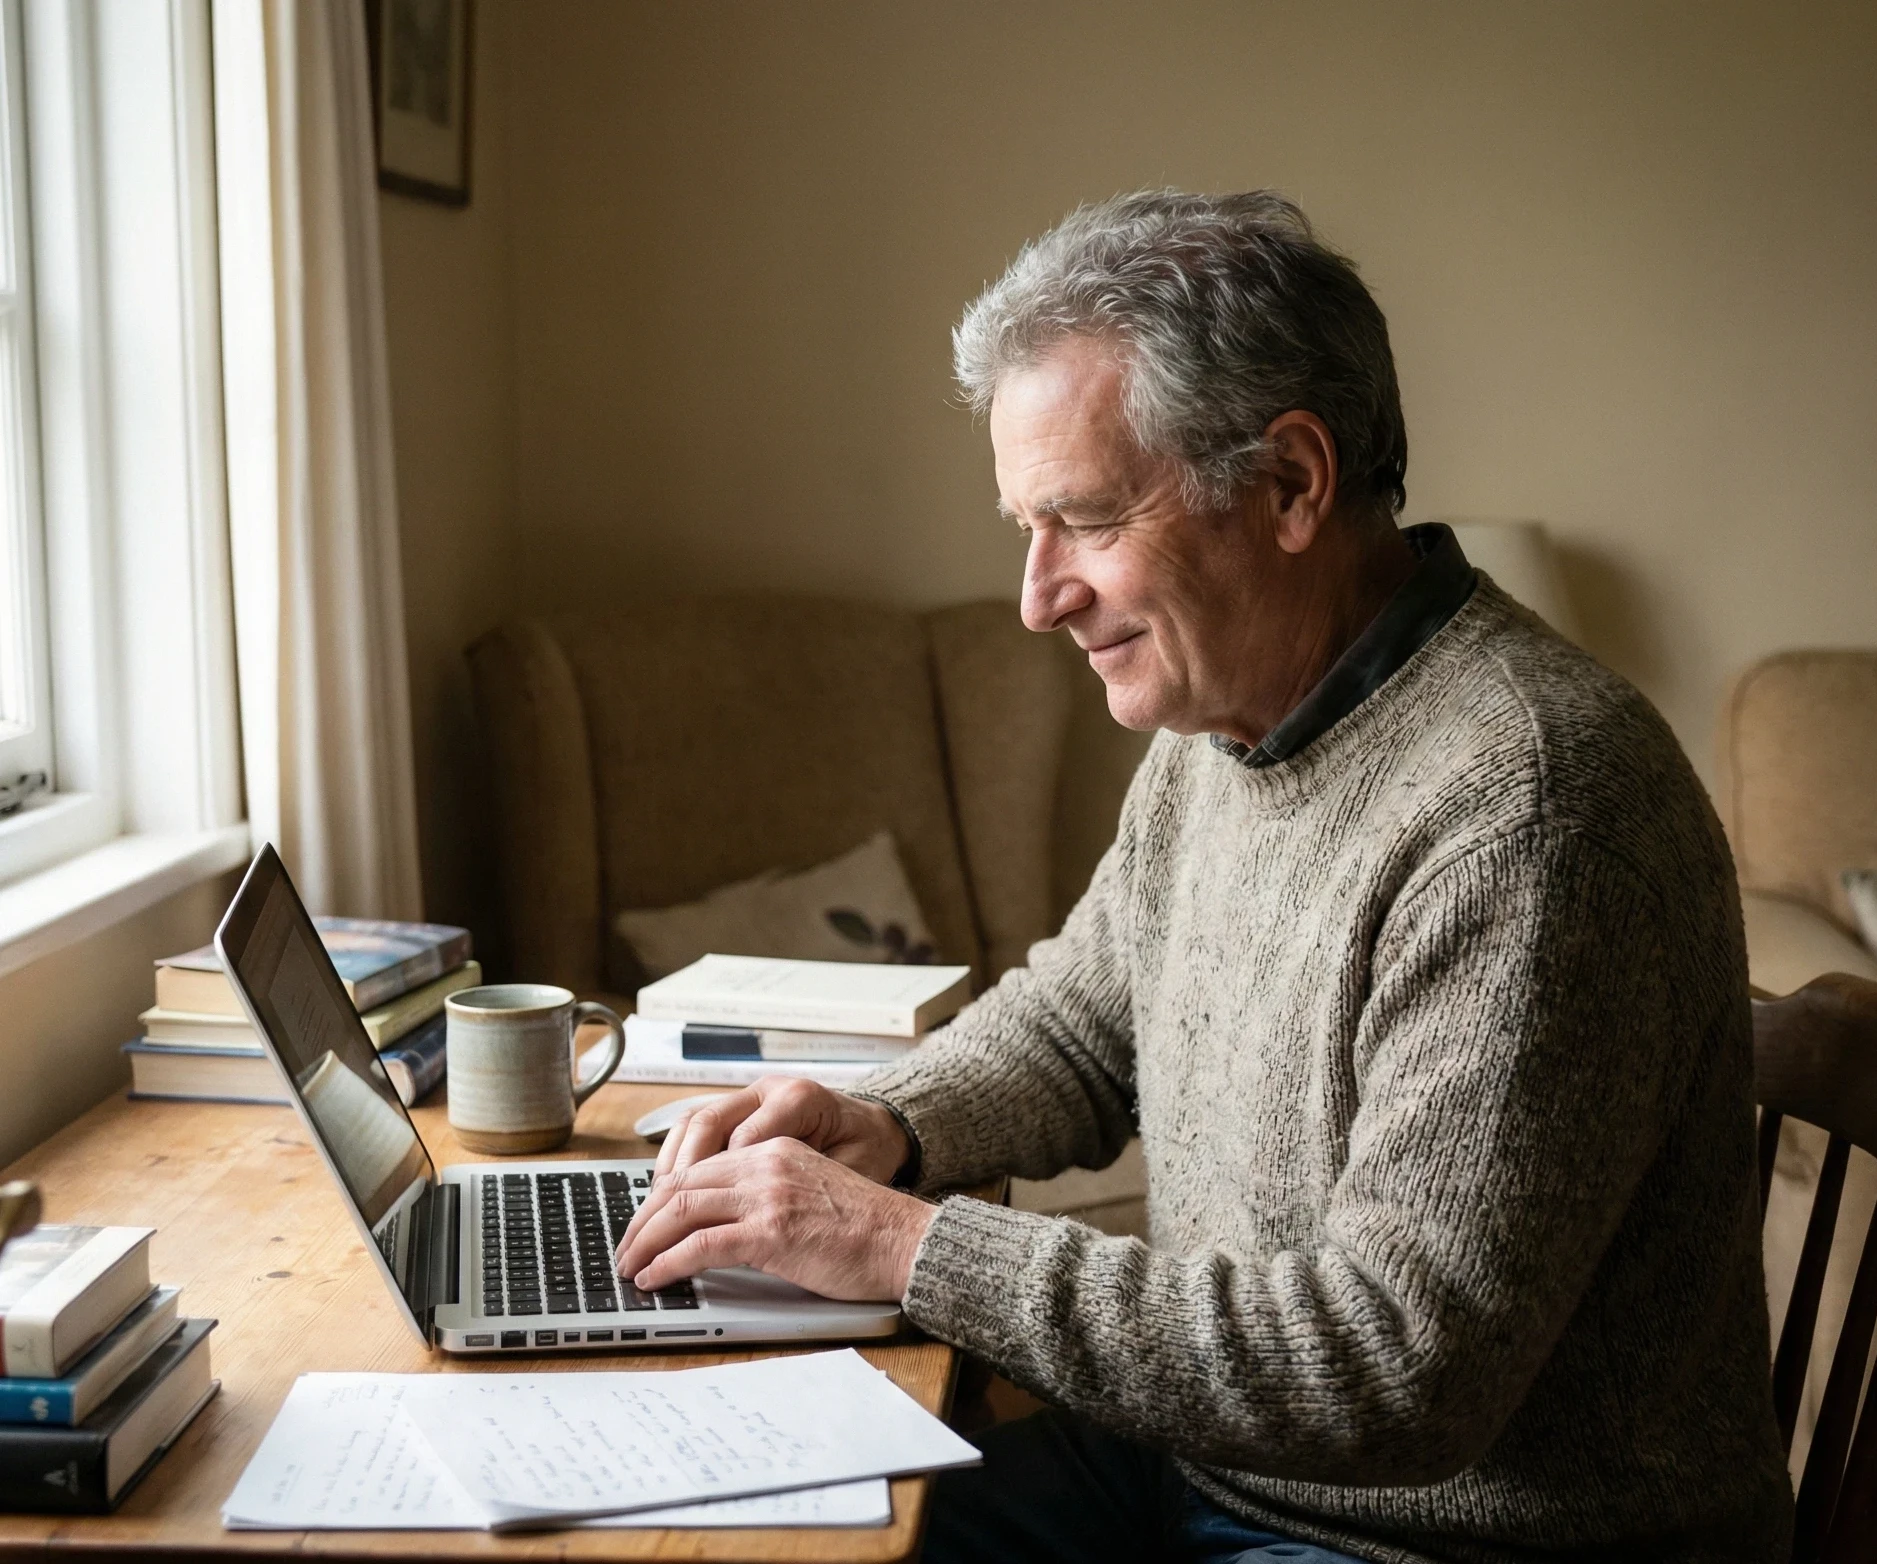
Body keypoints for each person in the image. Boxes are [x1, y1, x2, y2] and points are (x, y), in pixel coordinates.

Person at [614, 190, 1791, 1563]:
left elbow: (1393, 1369)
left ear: (1292, 485)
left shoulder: (1534, 807)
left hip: (1461, 1543)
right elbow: (1084, 1017)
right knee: (751, 1537)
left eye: (1087, 521)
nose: (1038, 596)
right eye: (1025, 528)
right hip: (1224, 1477)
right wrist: (890, 1127)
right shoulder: (1231, 723)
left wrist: (902, 1247)